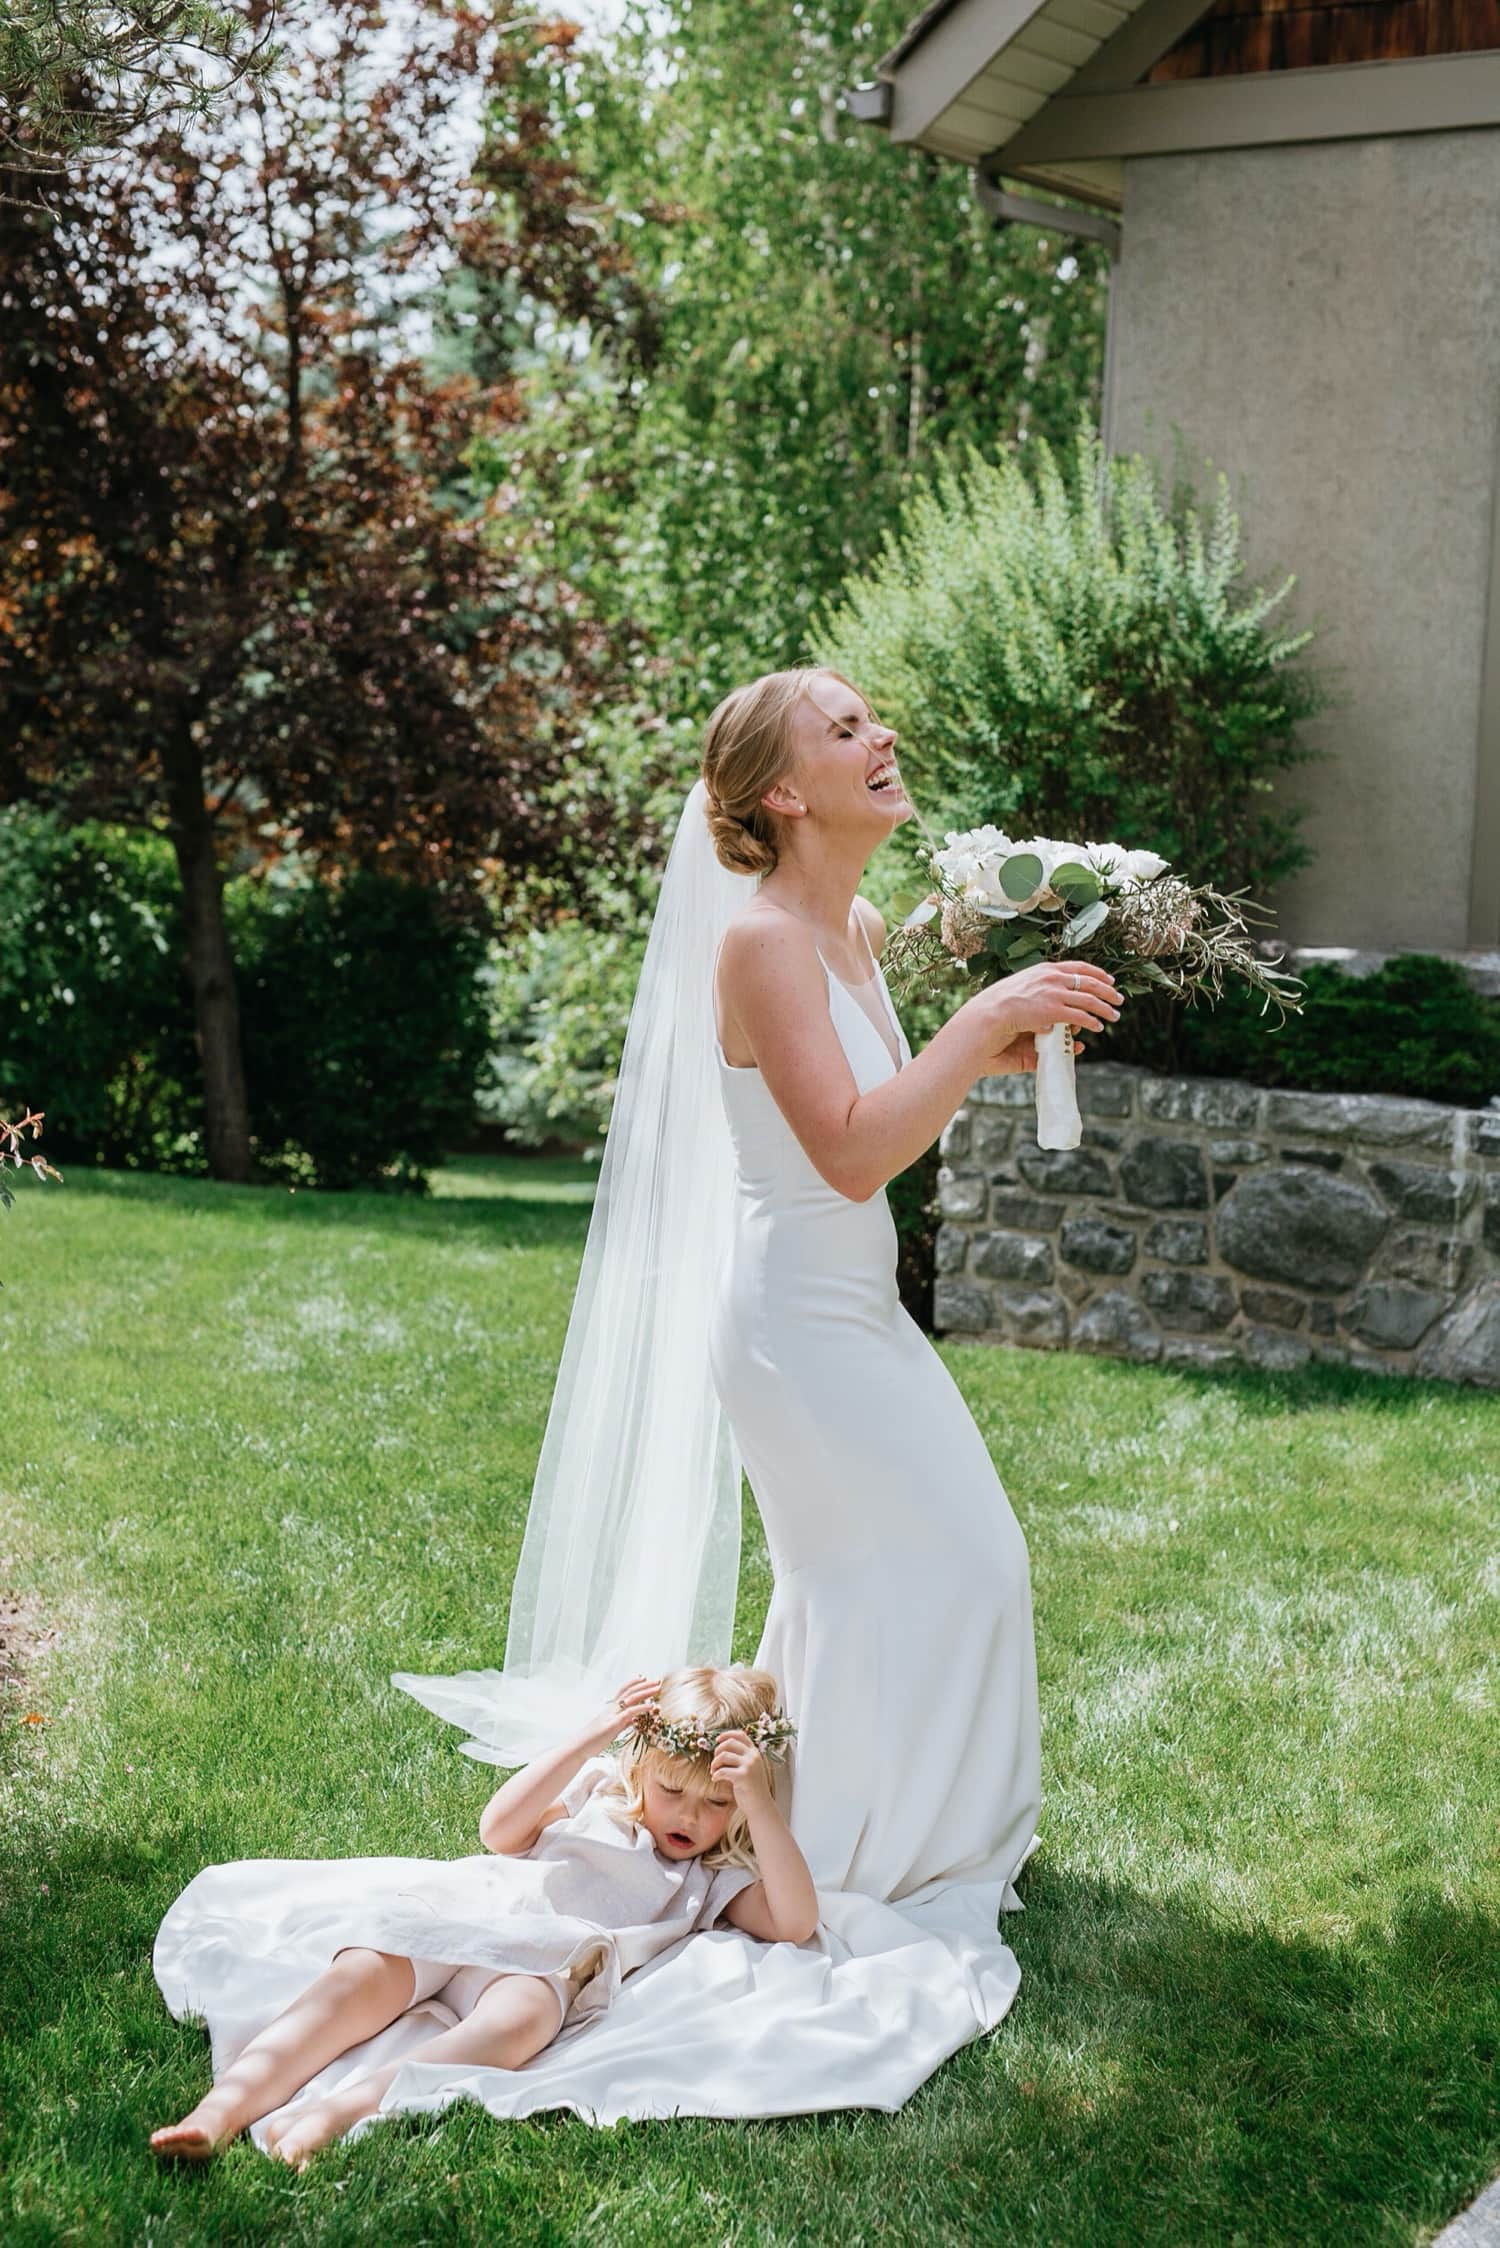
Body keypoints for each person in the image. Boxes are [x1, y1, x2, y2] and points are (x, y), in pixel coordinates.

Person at [376, 663, 1125, 2128]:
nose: (880, 736)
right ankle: (838, 1858)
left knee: (944, 1573)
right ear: (783, 793)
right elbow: (847, 1155)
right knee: (934, 1573)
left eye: (870, 718)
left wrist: (997, 1041)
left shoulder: (845, 924)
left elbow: (877, 1122)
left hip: (852, 1308)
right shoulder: (762, 943)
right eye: (844, 731)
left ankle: (877, 1835)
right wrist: (980, 1024)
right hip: (794, 1321)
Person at [150, 1664, 814, 2166]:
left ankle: (339, 2112)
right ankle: (221, 2110)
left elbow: (795, 1923)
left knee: (520, 2024)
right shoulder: (599, 1795)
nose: (692, 1818)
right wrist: (593, 1736)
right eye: (673, 1792)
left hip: (549, 1960)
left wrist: (757, 1805)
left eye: (717, 1804)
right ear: (640, 1766)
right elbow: (498, 1829)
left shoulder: (711, 1877)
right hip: (474, 1911)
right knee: (354, 1982)